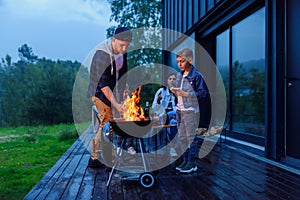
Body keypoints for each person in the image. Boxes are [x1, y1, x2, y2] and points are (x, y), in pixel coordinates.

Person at [86, 27, 132, 168]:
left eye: (127, 46)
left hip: (112, 90)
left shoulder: (122, 53)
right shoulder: (102, 55)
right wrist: (117, 105)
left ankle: (96, 158)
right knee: (107, 122)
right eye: (121, 45)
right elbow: (103, 85)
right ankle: (103, 159)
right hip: (99, 92)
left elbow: (123, 75)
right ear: (113, 40)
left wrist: (125, 95)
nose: (124, 49)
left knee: (110, 123)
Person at [171, 48, 208, 174]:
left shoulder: (197, 76)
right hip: (179, 110)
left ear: (190, 60)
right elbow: (179, 93)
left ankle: (192, 164)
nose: (179, 64)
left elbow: (203, 94)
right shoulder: (179, 75)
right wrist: (175, 92)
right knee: (182, 138)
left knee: (191, 138)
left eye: (182, 61)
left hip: (190, 111)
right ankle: (185, 161)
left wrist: (186, 94)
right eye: (178, 61)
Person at [152, 73, 178, 156]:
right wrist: (159, 102)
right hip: (163, 116)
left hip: (174, 116)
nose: (172, 81)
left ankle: (173, 148)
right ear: (167, 81)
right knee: (172, 114)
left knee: (174, 122)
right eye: (170, 79)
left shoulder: (178, 92)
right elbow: (154, 107)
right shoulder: (161, 91)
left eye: (174, 79)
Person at [116, 84, 136, 155]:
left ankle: (130, 146)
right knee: (120, 127)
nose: (125, 94)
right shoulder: (116, 102)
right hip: (119, 122)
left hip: (128, 122)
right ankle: (119, 146)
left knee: (131, 125)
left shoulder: (131, 101)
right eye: (123, 92)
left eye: (126, 92)